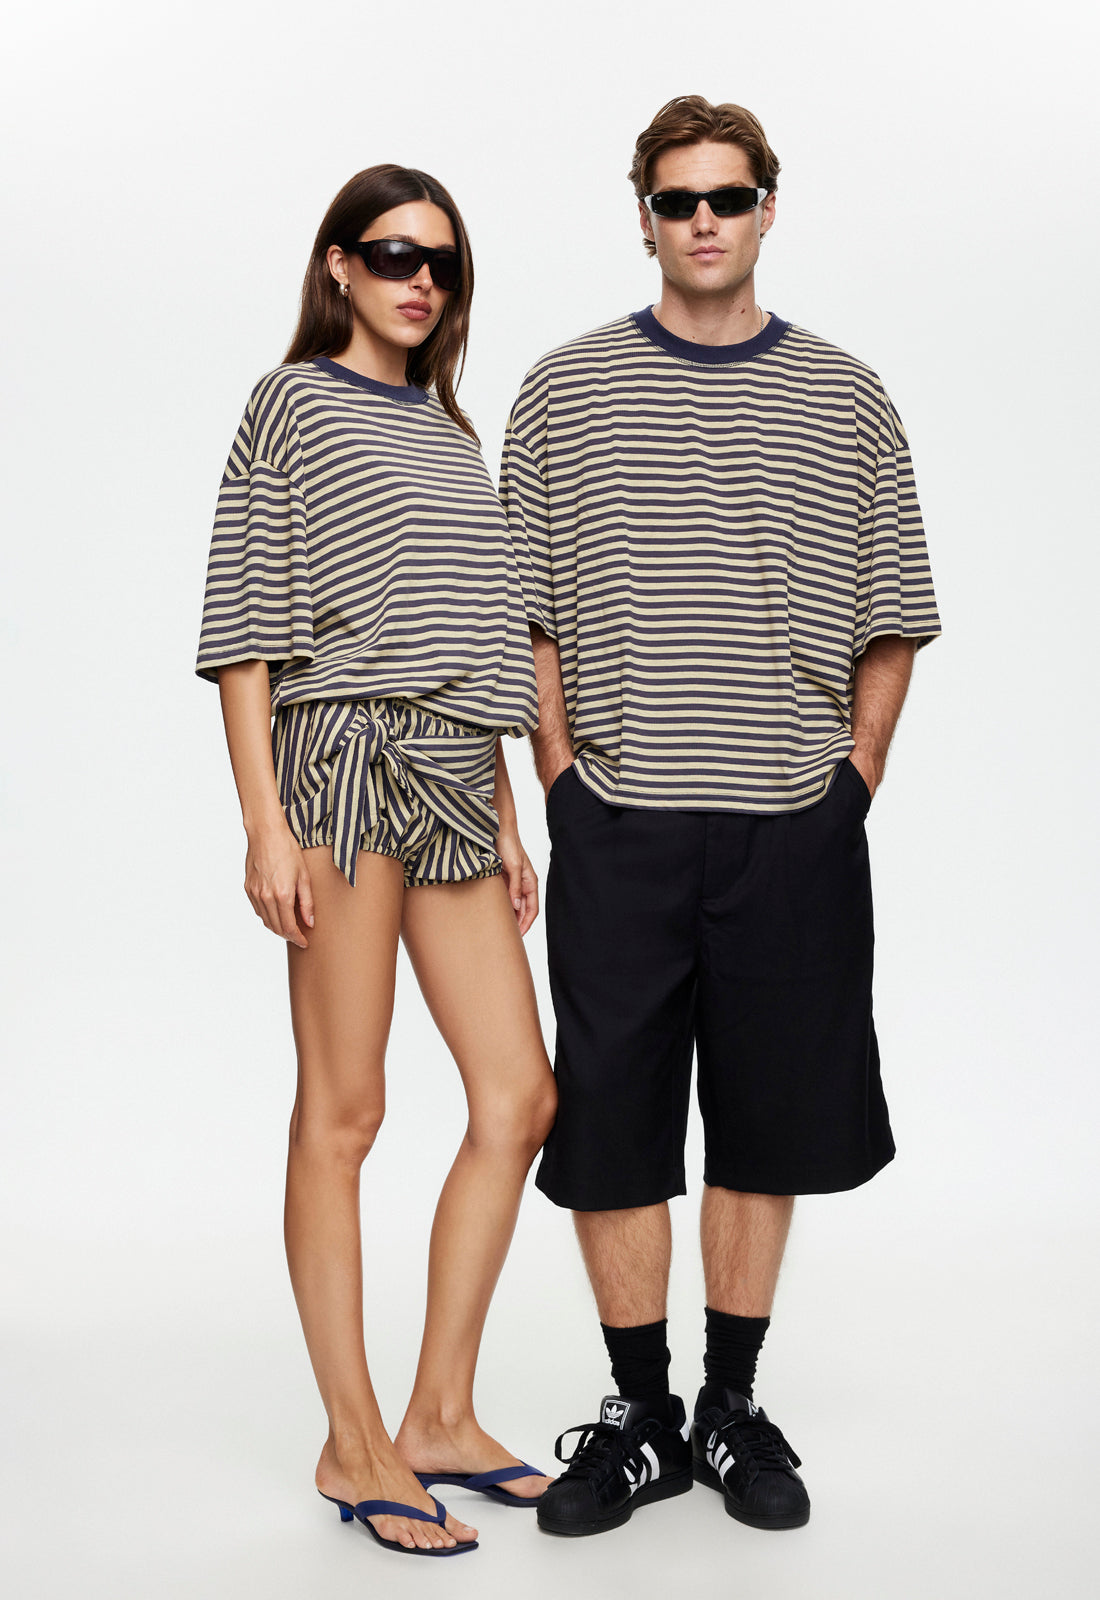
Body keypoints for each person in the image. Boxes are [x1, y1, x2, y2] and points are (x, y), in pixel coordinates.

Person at [501, 96, 941, 1537]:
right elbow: (527, 614)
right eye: (679, 199)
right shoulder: (563, 390)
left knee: (765, 1123)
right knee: (614, 1123)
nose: (704, 220)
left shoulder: (849, 395)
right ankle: (640, 1417)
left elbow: (895, 613)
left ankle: (729, 1404)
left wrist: (851, 784)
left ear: (767, 210)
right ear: (643, 216)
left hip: (789, 823)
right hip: (619, 817)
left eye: (728, 197)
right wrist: (561, 778)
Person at [195, 164, 557, 1559]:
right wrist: (264, 822)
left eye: (443, 263)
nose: (422, 281)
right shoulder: (289, 404)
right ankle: (352, 1442)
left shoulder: (455, 433)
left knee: (519, 1097)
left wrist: (508, 818)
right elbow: (246, 629)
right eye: (396, 254)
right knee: (346, 1110)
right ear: (338, 264)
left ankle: (439, 1416)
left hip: (459, 777)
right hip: (341, 764)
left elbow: (484, 632)